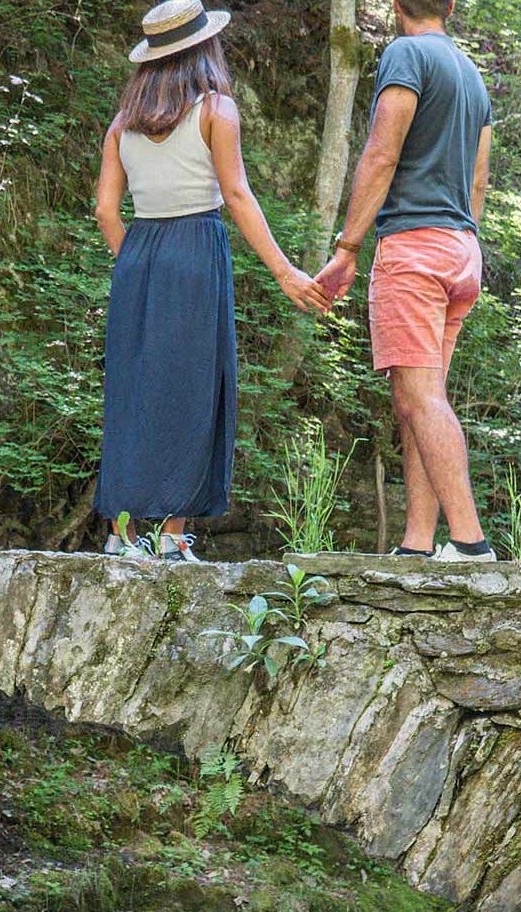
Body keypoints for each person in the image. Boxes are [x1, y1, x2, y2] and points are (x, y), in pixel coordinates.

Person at [93, 0, 330, 562]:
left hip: (139, 253)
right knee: (191, 390)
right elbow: (238, 195)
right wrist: (286, 271)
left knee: (132, 390)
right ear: (205, 49)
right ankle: (172, 537)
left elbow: (106, 210)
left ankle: (121, 536)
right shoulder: (215, 109)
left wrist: (139, 264)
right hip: (195, 251)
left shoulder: (121, 124)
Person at [315, 0, 497, 562]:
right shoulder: (472, 75)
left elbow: (381, 154)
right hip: (460, 248)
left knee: (419, 398)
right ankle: (418, 542)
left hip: (415, 249)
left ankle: (469, 543)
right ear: (448, 6)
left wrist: (346, 248)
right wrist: (460, 240)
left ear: (397, 6)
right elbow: (478, 182)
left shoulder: (405, 54)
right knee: (420, 398)